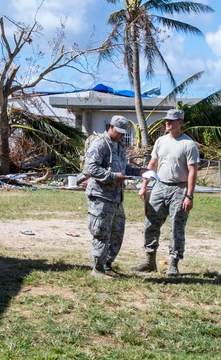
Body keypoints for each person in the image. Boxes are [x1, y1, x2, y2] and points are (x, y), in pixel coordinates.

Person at [135, 109, 200, 277]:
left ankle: (173, 263)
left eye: (172, 120)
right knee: (150, 223)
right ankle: (150, 260)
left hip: (179, 188)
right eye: (166, 120)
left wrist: (189, 195)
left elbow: (193, 171)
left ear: (180, 122)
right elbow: (152, 164)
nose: (168, 123)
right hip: (159, 186)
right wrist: (144, 185)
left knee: (176, 226)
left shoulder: (188, 144)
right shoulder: (161, 141)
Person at [84, 115, 145, 278]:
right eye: (118, 132)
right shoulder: (100, 144)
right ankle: (97, 268)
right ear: (111, 127)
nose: (120, 135)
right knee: (101, 232)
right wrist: (113, 176)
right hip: (101, 196)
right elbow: (90, 168)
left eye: (122, 133)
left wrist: (138, 172)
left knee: (117, 232)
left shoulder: (119, 145)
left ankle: (107, 264)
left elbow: (123, 168)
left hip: (116, 197)